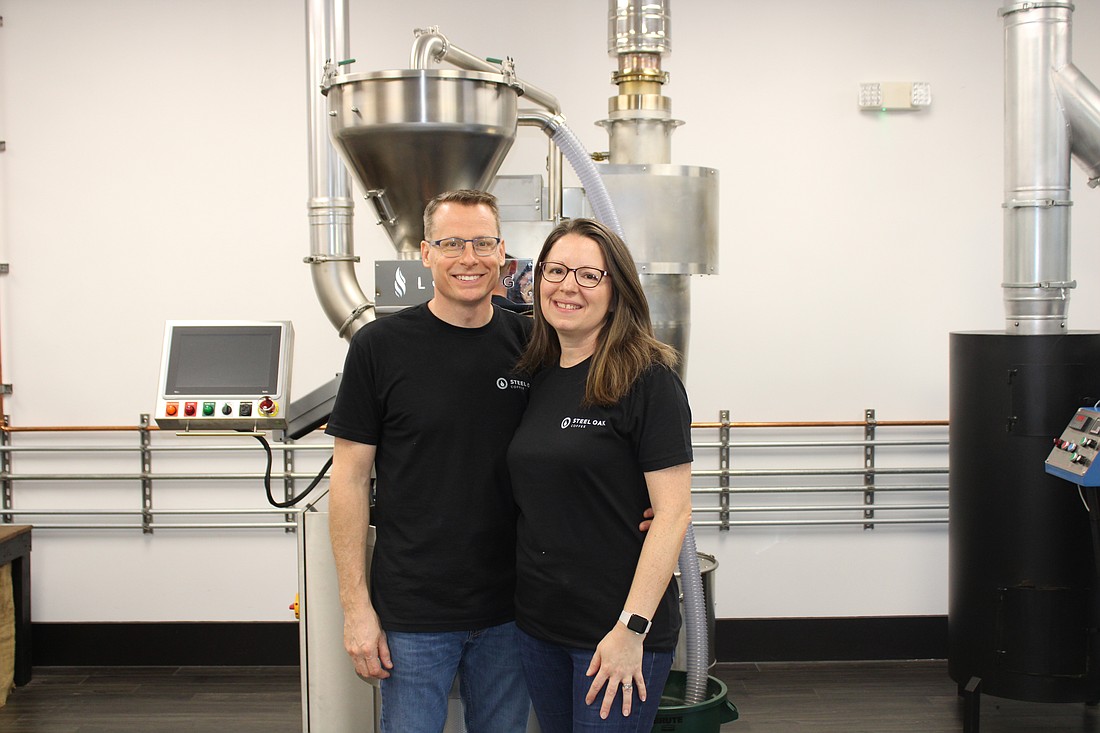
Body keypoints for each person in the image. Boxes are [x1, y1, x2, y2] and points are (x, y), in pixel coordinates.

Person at [326, 189, 533, 733]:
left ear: (503, 251)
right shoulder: (380, 346)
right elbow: (348, 479)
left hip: (514, 607)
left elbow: (580, 441)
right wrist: (356, 608)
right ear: (424, 253)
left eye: (483, 242)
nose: (469, 257)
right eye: (451, 243)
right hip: (414, 611)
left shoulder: (534, 343)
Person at [507, 218, 694, 732]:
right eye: (556, 270)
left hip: (616, 632)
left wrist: (630, 629)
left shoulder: (649, 380)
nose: (568, 286)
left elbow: (674, 512)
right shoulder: (537, 374)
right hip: (540, 626)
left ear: (617, 291)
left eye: (590, 275)